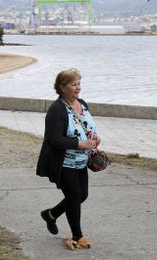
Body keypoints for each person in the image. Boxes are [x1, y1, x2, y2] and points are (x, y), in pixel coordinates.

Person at [36, 68, 101, 249]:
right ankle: (77, 236)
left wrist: (95, 137)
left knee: (82, 195)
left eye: (79, 83)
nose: (78, 87)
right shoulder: (56, 110)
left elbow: (88, 126)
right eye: (74, 84)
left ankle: (50, 215)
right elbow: (54, 139)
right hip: (63, 162)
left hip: (81, 161)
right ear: (62, 87)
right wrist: (80, 144)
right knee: (73, 196)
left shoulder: (82, 103)